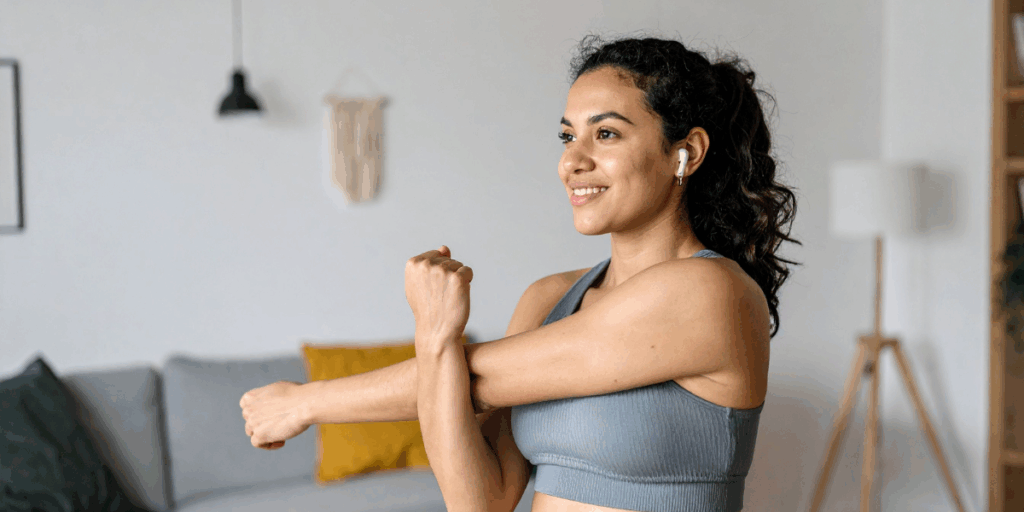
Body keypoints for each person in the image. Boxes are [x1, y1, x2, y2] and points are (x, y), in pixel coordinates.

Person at [240, 34, 801, 512]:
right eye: (567, 135)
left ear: (687, 152)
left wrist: (303, 403)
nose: (571, 161)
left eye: (605, 134)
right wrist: (435, 337)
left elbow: (478, 379)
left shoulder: (711, 291)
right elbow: (480, 499)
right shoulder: (551, 297)